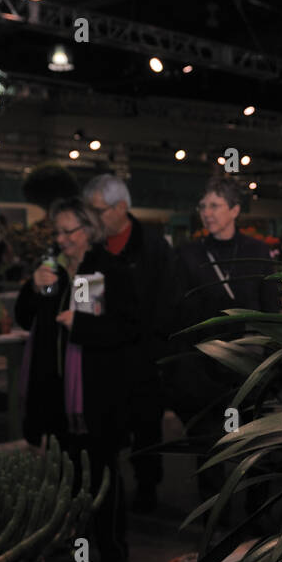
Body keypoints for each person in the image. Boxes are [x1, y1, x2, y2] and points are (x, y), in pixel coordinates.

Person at [14, 197, 138, 562]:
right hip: (53, 392)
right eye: (58, 232)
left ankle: (112, 550)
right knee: (68, 476)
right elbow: (24, 318)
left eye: (69, 231)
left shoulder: (108, 270)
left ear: (89, 231)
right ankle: (78, 542)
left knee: (101, 474)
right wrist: (33, 289)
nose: (62, 239)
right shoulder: (50, 271)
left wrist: (80, 326)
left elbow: (127, 328)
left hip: (96, 396)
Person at [171, 175, 282, 506]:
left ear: (235, 210)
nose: (207, 212)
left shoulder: (258, 251)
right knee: (210, 451)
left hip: (250, 369)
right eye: (203, 205)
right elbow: (178, 312)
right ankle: (212, 522)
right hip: (204, 369)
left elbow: (270, 312)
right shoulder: (187, 255)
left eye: (215, 205)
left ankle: (256, 521)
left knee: (256, 449)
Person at [83, 174, 174, 513]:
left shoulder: (153, 247)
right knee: (105, 436)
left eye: (99, 211)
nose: (93, 219)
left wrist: (157, 352)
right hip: (103, 361)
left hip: (144, 360)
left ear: (121, 207)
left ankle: (148, 488)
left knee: (147, 429)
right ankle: (108, 497)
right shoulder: (92, 251)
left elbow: (166, 303)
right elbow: (86, 309)